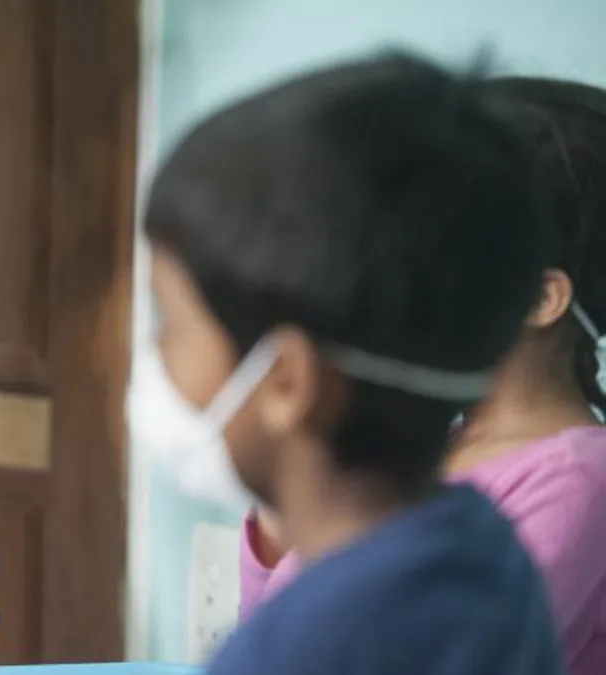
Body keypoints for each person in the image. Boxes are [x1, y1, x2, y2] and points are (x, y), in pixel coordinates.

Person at [128, 52, 563, 674]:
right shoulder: (480, 548)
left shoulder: (306, 648)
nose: (154, 354)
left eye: (172, 322)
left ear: (287, 382)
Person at [238, 76, 606, 675]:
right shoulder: (417, 446)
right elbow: (266, 639)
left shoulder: (581, 482)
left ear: (541, 299)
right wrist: (285, 498)